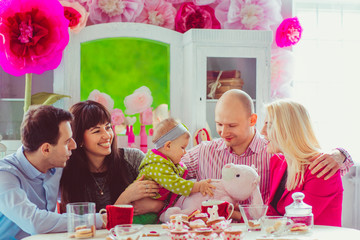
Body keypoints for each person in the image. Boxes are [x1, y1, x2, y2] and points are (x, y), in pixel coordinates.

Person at [181, 89, 353, 221]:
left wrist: (341, 155)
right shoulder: (280, 161)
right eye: (219, 124)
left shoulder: (274, 156)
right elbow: (167, 167)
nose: (262, 132)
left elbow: (295, 223)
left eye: (232, 125)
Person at [60, 100, 163, 223]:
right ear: (79, 139)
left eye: (108, 127)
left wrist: (156, 206)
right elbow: (80, 224)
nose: (107, 135)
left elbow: (170, 195)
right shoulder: (68, 173)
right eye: (97, 131)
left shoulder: (133, 158)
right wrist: (126, 197)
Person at [0, 105, 91, 239]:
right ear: (46, 149)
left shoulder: (56, 163)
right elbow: (35, 223)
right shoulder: (5, 176)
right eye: (67, 142)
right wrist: (93, 220)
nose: (74, 145)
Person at [262, 99, 343, 226]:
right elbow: (272, 213)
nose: (262, 131)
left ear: (288, 129)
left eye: (269, 125)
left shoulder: (322, 167)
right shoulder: (278, 162)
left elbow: (299, 222)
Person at [136, 118, 214, 210]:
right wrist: (198, 186)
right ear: (168, 146)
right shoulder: (156, 165)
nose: (185, 152)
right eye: (182, 148)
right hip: (141, 209)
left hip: (154, 207)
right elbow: (176, 184)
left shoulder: (167, 162)